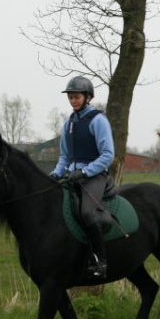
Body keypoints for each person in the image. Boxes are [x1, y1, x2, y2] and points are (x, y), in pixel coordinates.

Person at [50, 75, 115, 279]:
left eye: (76, 97)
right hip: (72, 176)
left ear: (87, 97)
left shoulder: (98, 120)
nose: (73, 101)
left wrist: (85, 172)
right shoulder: (68, 124)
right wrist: (55, 175)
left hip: (94, 176)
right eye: (70, 98)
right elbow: (65, 156)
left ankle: (101, 261)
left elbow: (107, 155)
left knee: (87, 213)